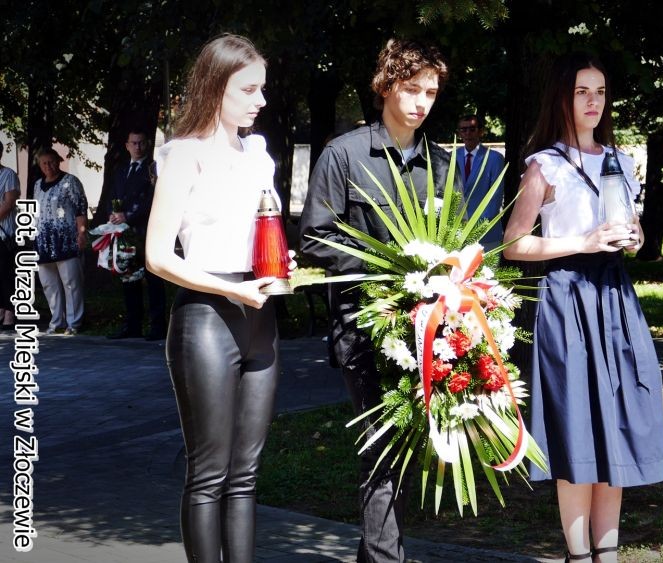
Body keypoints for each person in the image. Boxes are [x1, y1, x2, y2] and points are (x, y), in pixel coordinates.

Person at [502, 52, 663, 562]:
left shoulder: (620, 160)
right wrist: (584, 242)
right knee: (577, 429)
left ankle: (608, 556)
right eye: (581, 92)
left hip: (615, 299)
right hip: (567, 298)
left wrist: (634, 237)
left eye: (599, 92)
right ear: (563, 98)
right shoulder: (545, 164)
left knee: (614, 426)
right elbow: (514, 244)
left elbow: (631, 231)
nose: (592, 101)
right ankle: (578, 557)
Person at [299, 38, 450, 562]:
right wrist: (385, 269)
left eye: (430, 92)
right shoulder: (344, 154)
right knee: (383, 450)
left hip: (426, 327)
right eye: (411, 89)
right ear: (386, 86)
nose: (421, 102)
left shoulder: (439, 162)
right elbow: (314, 238)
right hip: (363, 324)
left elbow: (451, 239)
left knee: (406, 451)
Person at [145, 34, 287, 563]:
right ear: (214, 87)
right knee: (208, 474)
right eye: (248, 90)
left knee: (246, 477)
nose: (261, 100)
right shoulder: (184, 154)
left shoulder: (257, 153)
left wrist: (279, 265)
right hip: (206, 317)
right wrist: (231, 288)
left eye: (262, 89)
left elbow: (261, 234)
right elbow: (157, 256)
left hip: (259, 315)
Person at [107, 129, 168, 340]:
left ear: (148, 144)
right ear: (127, 145)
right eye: (133, 143)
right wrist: (113, 215)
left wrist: (128, 216)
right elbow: (113, 195)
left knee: (153, 279)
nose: (138, 147)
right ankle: (133, 325)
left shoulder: (154, 169)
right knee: (129, 278)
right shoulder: (122, 170)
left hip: (147, 232)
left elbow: (153, 200)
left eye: (141, 142)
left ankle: (158, 326)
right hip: (125, 234)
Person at [34, 148, 88, 335]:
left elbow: (81, 209)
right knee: (49, 284)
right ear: (40, 165)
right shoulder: (37, 185)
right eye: (44, 163)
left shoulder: (70, 181)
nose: (48, 166)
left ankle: (74, 323)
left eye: (51, 161)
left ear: (58, 161)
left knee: (71, 283)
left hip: (66, 241)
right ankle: (57, 321)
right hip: (44, 242)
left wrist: (82, 233)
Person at [455, 114, 505, 249]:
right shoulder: (451, 157)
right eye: (463, 129)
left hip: (486, 234)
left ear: (481, 131)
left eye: (472, 129)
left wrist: (474, 228)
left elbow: (495, 199)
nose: (467, 133)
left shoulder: (495, 158)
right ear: (459, 133)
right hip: (456, 234)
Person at [0, 150, 18, 330]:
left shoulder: (8, 174)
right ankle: (1, 309)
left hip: (4, 234)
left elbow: (9, 203)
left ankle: (10, 312)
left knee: (5, 274)